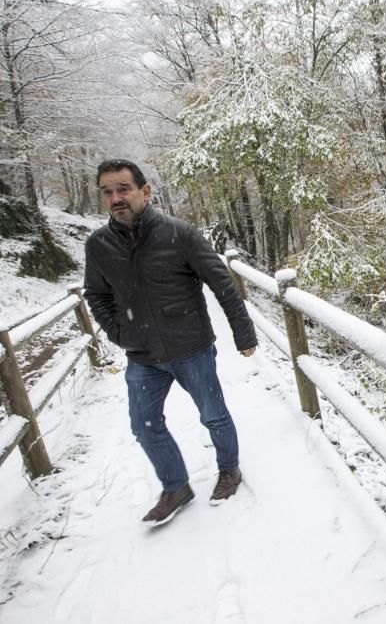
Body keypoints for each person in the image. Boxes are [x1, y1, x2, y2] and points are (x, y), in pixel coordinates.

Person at [83, 158, 257, 526]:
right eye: (107, 191)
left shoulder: (180, 234)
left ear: (144, 191)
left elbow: (222, 285)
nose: (116, 198)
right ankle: (175, 487)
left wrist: (244, 334)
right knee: (144, 424)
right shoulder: (98, 245)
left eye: (123, 189)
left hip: (191, 347)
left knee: (213, 415)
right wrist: (118, 333)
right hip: (142, 355)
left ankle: (229, 470)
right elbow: (96, 295)